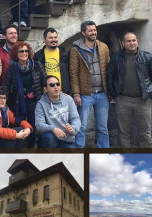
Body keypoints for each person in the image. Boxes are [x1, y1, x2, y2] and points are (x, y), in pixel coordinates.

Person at [107, 32, 152, 148]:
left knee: (145, 133)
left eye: (134, 40)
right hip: (123, 100)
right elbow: (110, 76)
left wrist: (151, 95)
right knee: (123, 133)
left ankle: (147, 159)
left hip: (143, 100)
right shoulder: (116, 57)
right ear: (123, 43)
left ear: (137, 41)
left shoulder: (148, 57)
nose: (132, 43)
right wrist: (114, 93)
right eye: (129, 41)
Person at [69, 20, 110, 148]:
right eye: (90, 30)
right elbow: (73, 73)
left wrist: (110, 90)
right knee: (81, 126)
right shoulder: (76, 50)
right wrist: (76, 93)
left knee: (103, 128)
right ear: (83, 33)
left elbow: (108, 68)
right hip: (86, 94)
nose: (93, 32)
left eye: (94, 30)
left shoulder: (103, 47)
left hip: (103, 94)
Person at [2, 42, 46, 147]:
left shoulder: (37, 65)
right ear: (16, 54)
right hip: (18, 102)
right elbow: (6, 85)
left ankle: (31, 148)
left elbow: (45, 80)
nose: (24, 53)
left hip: (35, 101)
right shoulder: (12, 68)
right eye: (21, 51)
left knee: (33, 126)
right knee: (21, 125)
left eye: (26, 51)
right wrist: (1, 99)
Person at [35, 75, 81, 148]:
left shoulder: (68, 99)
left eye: (58, 84)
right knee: (48, 137)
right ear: (45, 89)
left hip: (67, 139)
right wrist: (53, 129)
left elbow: (76, 119)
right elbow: (39, 124)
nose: (56, 87)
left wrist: (73, 128)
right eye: (52, 85)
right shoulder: (41, 104)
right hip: (51, 139)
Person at [33, 27, 70, 94]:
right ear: (44, 40)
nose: (54, 40)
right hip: (45, 93)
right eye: (51, 38)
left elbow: (71, 74)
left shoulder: (65, 54)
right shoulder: (38, 56)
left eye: (55, 37)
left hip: (63, 93)